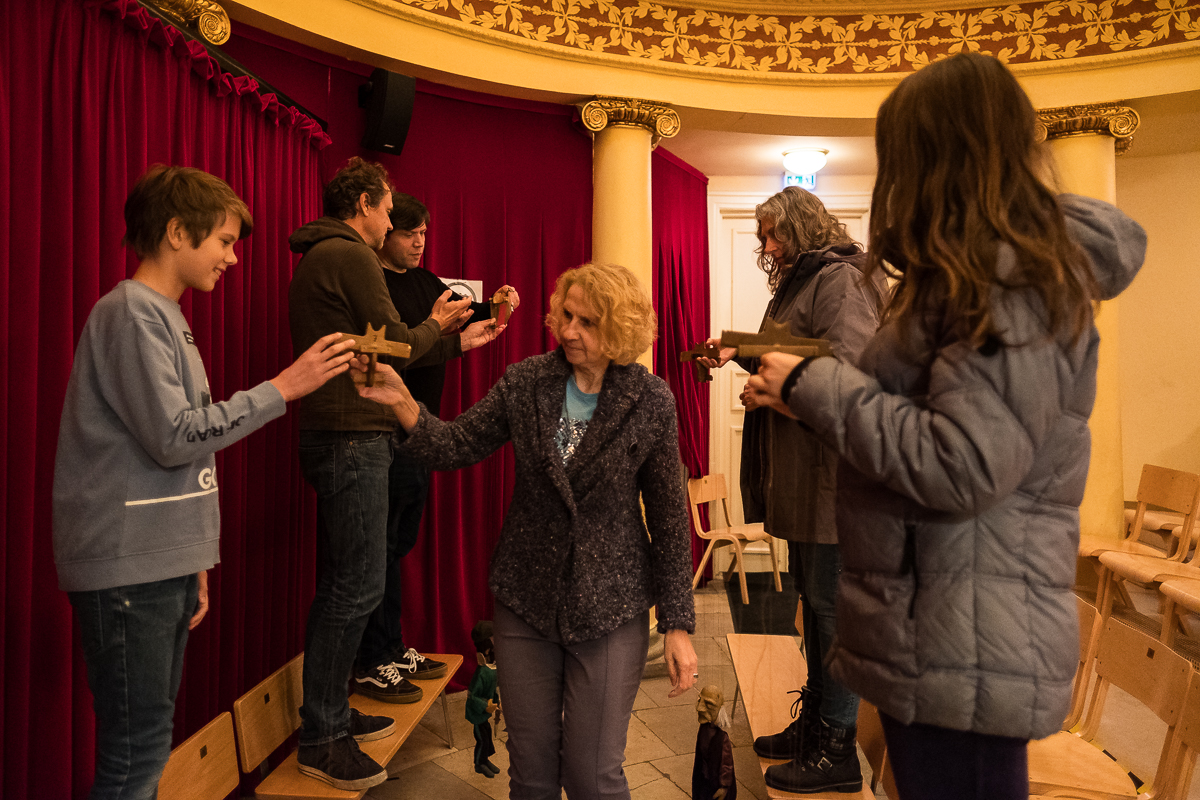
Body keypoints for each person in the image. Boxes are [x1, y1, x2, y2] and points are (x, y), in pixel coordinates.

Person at [747, 52, 1147, 800]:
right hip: (938, 619)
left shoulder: (1010, 279)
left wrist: (816, 382)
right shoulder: (972, 269)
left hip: (966, 632)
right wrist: (805, 392)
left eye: (903, 153)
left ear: (943, 154)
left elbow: (963, 463)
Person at [53, 165, 360, 800]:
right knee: (133, 759)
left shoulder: (161, 314)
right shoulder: (131, 314)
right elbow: (176, 437)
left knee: (146, 748)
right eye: (223, 240)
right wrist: (284, 387)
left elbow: (175, 451)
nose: (233, 257)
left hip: (154, 565)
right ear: (175, 233)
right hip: (127, 570)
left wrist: (193, 560)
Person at [354, 261, 699, 800]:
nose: (568, 331)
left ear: (620, 331)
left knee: (593, 776)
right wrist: (402, 402)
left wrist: (677, 624)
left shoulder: (650, 400)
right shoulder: (527, 381)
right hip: (526, 599)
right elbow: (455, 444)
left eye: (587, 322)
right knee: (532, 775)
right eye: (565, 315)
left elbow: (671, 518)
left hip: (610, 605)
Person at [287, 158, 500, 789]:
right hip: (353, 432)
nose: (390, 220)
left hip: (346, 432)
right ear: (361, 204)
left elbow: (383, 343)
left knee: (346, 583)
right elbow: (400, 344)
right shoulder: (349, 254)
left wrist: (439, 334)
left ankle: (328, 715)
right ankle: (321, 736)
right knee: (353, 587)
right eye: (385, 208)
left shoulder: (325, 253)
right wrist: (439, 323)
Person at [699, 186, 887, 793]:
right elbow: (793, 354)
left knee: (833, 615)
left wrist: (766, 376)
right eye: (761, 235)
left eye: (774, 234)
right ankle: (816, 726)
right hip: (807, 479)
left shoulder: (841, 279)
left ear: (804, 229)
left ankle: (837, 751)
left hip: (835, 481)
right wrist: (738, 351)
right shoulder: (802, 281)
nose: (766, 246)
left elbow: (848, 366)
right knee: (815, 605)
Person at [354, 193, 518, 698]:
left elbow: (460, 325)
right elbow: (387, 354)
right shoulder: (372, 283)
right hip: (381, 431)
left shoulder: (426, 283)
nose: (420, 243)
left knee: (398, 545)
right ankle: (372, 659)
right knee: (377, 549)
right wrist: (441, 333)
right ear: (386, 233)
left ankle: (392, 644)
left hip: (421, 432)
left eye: (424, 234)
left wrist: (498, 309)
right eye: (409, 234)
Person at [466, 620, 501, 778]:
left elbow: (491, 689)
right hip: (477, 714)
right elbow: (472, 696)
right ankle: (479, 764)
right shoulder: (481, 673)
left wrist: (496, 701)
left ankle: (485, 760)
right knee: (482, 739)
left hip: (485, 714)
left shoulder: (491, 669)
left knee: (487, 738)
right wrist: (486, 705)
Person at [693, 686, 736, 800]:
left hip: (715, 784)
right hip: (703, 781)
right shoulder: (703, 730)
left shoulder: (721, 738)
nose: (699, 708)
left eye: (708, 704)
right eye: (699, 700)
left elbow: (726, 764)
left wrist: (724, 786)